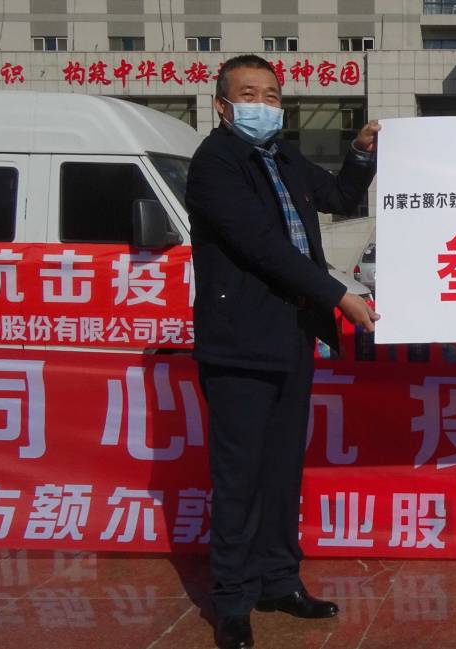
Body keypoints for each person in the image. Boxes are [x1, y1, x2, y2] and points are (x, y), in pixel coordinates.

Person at [185, 54, 380, 649]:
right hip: (239, 342)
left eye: (272, 96)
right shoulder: (215, 163)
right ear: (222, 106)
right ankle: (233, 601)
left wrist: (362, 152)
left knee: (280, 472)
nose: (263, 105)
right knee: (239, 476)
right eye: (249, 95)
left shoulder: (285, 157)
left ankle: (278, 581)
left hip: (291, 335)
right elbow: (263, 246)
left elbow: (340, 195)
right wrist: (339, 295)